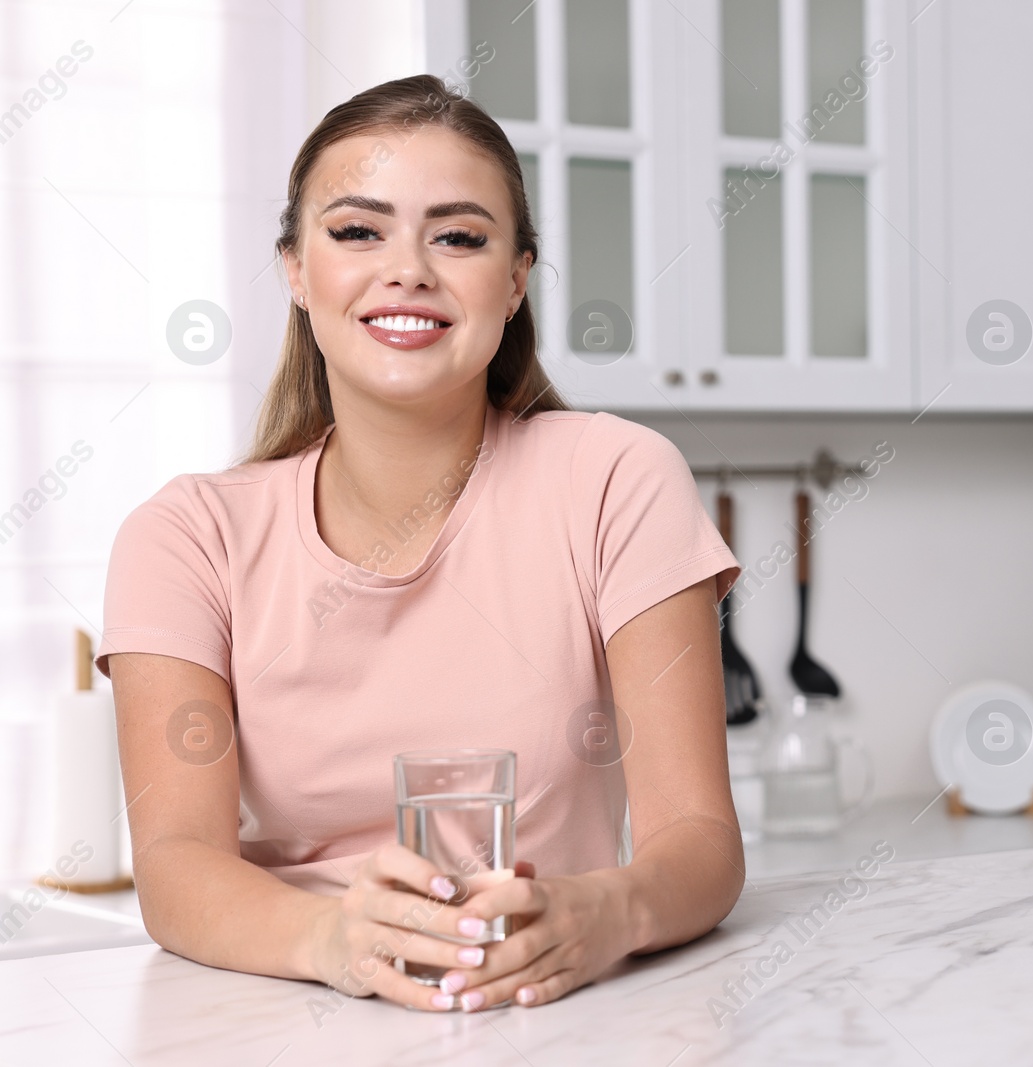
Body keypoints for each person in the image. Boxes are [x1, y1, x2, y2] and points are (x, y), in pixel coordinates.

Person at [97, 74, 744, 1013]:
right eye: (358, 231)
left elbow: (701, 839)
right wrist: (330, 939)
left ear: (516, 277)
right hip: (288, 1013)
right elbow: (173, 864)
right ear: (294, 267)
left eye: (459, 236)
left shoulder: (617, 480)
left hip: (553, 1010)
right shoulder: (184, 537)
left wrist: (609, 911)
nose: (408, 270)